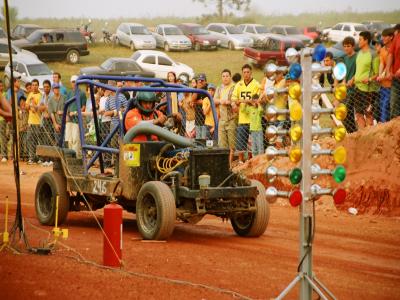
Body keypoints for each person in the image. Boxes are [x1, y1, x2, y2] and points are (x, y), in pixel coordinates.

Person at [232, 64, 260, 163]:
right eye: (244, 72)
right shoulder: (239, 85)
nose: (246, 74)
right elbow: (234, 99)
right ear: (242, 73)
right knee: (241, 140)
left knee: (253, 142)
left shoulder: (256, 84)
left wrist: (242, 100)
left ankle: (252, 160)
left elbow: (256, 100)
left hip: (253, 118)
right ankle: (241, 161)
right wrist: (237, 103)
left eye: (248, 72)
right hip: (242, 117)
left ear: (251, 73)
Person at [354, 31, 379, 129]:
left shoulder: (373, 54)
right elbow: (358, 70)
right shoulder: (359, 53)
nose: (358, 41)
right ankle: (362, 135)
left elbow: (377, 74)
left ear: (366, 40)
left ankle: (369, 135)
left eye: (360, 39)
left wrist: (369, 79)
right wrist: (353, 79)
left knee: (368, 114)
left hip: (369, 90)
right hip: (358, 87)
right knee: (358, 113)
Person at [214, 69, 236, 166]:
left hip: (231, 119)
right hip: (222, 120)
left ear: (230, 77)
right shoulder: (219, 88)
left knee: (231, 145)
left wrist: (228, 102)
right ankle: (224, 165)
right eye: (223, 76)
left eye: (227, 76)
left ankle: (230, 165)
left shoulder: (234, 87)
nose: (225, 78)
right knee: (222, 145)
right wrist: (222, 101)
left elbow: (234, 100)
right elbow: (214, 100)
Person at [66, 75, 86, 158]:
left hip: (77, 120)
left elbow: (83, 108)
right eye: (73, 82)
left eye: (75, 81)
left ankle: (76, 157)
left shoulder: (81, 93)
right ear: (71, 83)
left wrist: (75, 112)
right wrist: (67, 115)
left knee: (76, 140)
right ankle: (71, 156)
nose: (74, 83)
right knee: (69, 140)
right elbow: (67, 105)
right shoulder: (69, 93)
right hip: (69, 120)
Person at [377, 28, 394, 123]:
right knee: (381, 104)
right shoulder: (383, 49)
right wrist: (380, 75)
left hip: (391, 84)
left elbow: (389, 65)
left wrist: (382, 76)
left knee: (385, 105)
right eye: (382, 36)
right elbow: (382, 63)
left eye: (385, 36)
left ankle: (384, 124)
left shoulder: (394, 49)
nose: (382, 38)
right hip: (383, 84)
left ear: (391, 37)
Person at [341, 36, 358, 133]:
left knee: (345, 112)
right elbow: (344, 72)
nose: (346, 48)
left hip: (354, 89)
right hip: (345, 90)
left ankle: (353, 132)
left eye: (348, 46)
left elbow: (359, 71)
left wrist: (352, 79)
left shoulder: (357, 57)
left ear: (353, 46)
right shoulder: (345, 58)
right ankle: (352, 133)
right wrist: (343, 81)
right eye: (344, 46)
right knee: (348, 115)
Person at [25, 79, 42, 164]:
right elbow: (26, 107)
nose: (34, 86)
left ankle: (39, 158)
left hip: (38, 122)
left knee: (38, 140)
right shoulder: (30, 94)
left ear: (38, 86)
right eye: (33, 85)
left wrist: (32, 103)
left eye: (36, 85)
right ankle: (31, 158)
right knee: (30, 139)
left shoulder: (40, 95)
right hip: (30, 121)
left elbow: (36, 109)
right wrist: (30, 105)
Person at [385, 24, 400, 119]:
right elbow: (390, 55)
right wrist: (387, 71)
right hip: (396, 78)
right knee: (393, 105)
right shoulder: (397, 38)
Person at [191, 73, 208, 139]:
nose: (200, 82)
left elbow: (207, 101)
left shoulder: (208, 88)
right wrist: (198, 88)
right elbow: (192, 100)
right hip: (198, 117)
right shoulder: (196, 88)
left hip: (206, 117)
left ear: (205, 81)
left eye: (202, 80)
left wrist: (197, 102)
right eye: (199, 80)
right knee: (198, 137)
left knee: (204, 137)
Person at [0, 89, 12, 163]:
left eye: (1, 86)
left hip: (4, 120)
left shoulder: (5, 94)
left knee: (6, 137)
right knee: (3, 138)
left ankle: (6, 155)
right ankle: (4, 155)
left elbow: (9, 104)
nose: (0, 87)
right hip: (4, 118)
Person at [18, 95, 29, 161]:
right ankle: (21, 156)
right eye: (21, 101)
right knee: (20, 143)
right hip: (19, 129)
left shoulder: (27, 110)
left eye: (23, 101)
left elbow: (28, 119)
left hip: (25, 129)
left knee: (25, 142)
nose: (22, 102)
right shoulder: (18, 110)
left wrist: (25, 127)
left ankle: (26, 155)